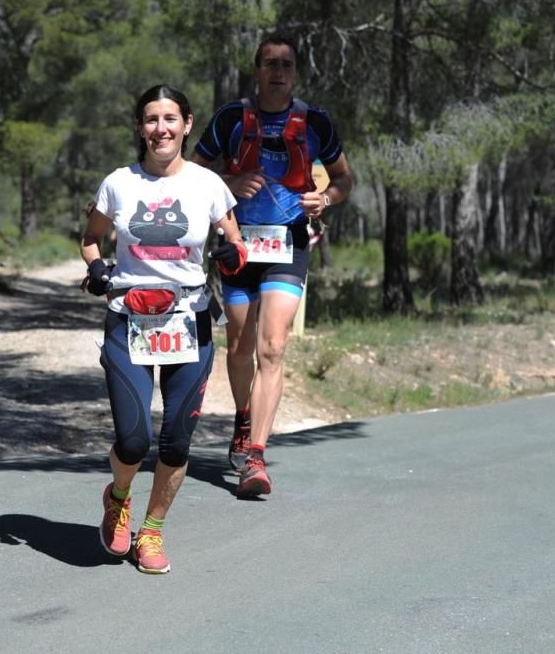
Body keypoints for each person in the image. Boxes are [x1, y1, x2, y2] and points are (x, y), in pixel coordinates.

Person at [80, 84, 247, 574]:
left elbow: (234, 241)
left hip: (189, 321)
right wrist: (97, 269)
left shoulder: (208, 184)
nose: (161, 128)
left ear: (187, 124)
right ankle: (119, 496)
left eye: (170, 118)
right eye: (151, 119)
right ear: (140, 128)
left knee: (175, 439)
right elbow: (91, 239)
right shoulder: (118, 183)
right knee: (133, 441)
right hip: (129, 319)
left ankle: (151, 532)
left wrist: (233, 254)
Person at [192, 34, 354, 497]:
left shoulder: (315, 121)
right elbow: (192, 173)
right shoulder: (230, 118)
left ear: (296, 73)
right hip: (239, 245)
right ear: (257, 71)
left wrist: (325, 197)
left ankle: (256, 457)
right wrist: (231, 180)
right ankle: (243, 417)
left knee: (274, 347)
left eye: (286, 64)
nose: (277, 71)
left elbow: (345, 178)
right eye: (269, 63)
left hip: (288, 243)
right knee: (240, 348)